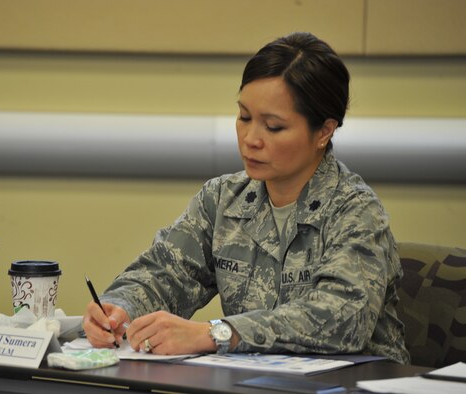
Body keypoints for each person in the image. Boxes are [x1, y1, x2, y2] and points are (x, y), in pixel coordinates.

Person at [82, 32, 410, 364]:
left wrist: (216, 334)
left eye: (274, 127)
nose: (250, 139)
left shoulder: (355, 211)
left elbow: (341, 320)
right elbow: (164, 274)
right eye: (244, 117)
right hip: (254, 383)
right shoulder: (222, 199)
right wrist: (118, 308)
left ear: (323, 131)